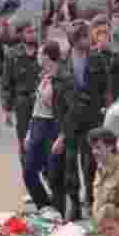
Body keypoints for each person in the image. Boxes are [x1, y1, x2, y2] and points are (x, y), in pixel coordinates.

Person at [57, 23, 109, 221]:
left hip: (92, 117)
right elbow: (58, 93)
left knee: (90, 164)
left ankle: (90, 201)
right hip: (71, 118)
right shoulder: (64, 60)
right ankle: (74, 205)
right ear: (76, 39)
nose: (91, 39)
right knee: (70, 164)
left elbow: (106, 88)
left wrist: (106, 111)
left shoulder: (97, 58)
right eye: (87, 36)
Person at [23, 41, 69, 214]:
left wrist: (62, 136)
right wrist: (29, 131)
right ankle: (45, 206)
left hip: (53, 126)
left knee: (55, 175)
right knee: (29, 171)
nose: (37, 56)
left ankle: (58, 213)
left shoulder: (63, 77)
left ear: (47, 57)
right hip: (37, 123)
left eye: (39, 54)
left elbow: (58, 105)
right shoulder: (42, 75)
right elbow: (37, 105)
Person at [1, 23, 41, 168]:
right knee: (23, 136)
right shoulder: (13, 55)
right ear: (22, 35)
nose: (33, 34)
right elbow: (7, 83)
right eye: (29, 32)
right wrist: (7, 110)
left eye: (34, 31)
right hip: (22, 101)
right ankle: (27, 167)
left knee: (41, 136)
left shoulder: (43, 52)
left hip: (41, 102)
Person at [90, 127, 119, 220]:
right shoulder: (99, 168)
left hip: (115, 230)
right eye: (93, 148)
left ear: (110, 147)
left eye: (98, 147)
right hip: (99, 228)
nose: (94, 152)